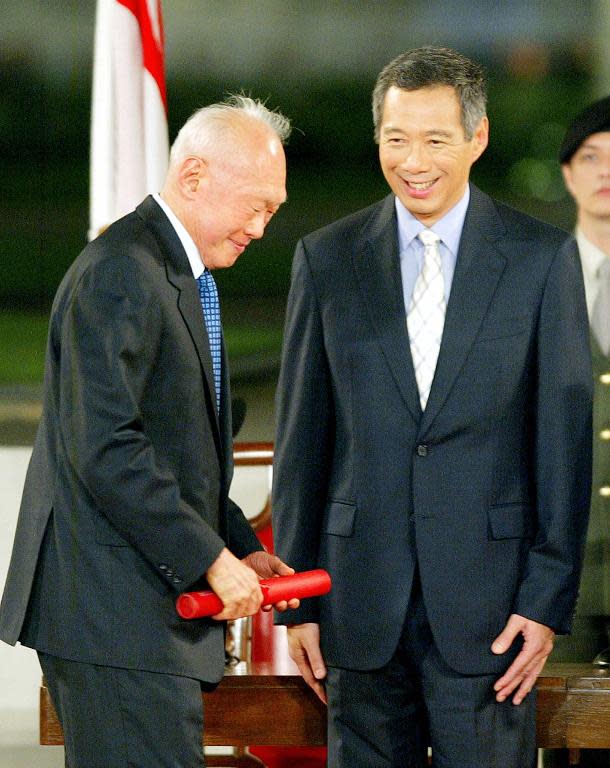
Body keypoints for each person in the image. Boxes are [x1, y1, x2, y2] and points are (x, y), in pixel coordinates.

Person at [272, 46, 592, 768]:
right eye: (395, 138)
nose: (413, 161)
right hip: (355, 608)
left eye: (435, 139)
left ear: (478, 139)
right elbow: (302, 443)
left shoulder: (541, 259)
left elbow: (563, 446)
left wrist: (546, 599)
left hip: (493, 613)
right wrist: (298, 600)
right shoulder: (327, 258)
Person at [0, 95, 295, 768]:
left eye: (272, 211)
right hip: (113, 619)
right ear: (193, 176)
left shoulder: (172, 275)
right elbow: (107, 449)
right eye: (256, 205)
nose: (259, 227)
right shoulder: (121, 273)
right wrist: (207, 559)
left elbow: (179, 455)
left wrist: (239, 548)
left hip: (139, 617)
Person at [555, 97, 610, 667]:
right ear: (569, 174)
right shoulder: (530, 275)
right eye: (592, 157)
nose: (607, 173)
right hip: (559, 572)